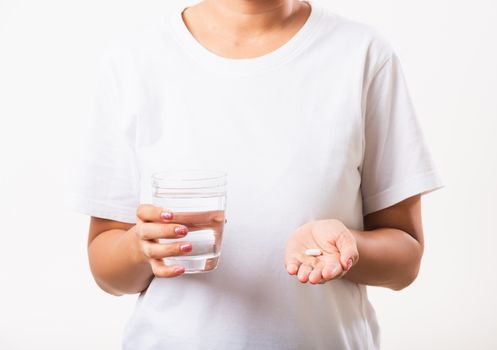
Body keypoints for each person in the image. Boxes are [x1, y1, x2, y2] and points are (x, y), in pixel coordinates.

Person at [71, 0, 442, 348]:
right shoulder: (134, 61)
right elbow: (106, 270)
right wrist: (142, 247)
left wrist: (349, 247)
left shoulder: (362, 54)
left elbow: (405, 259)